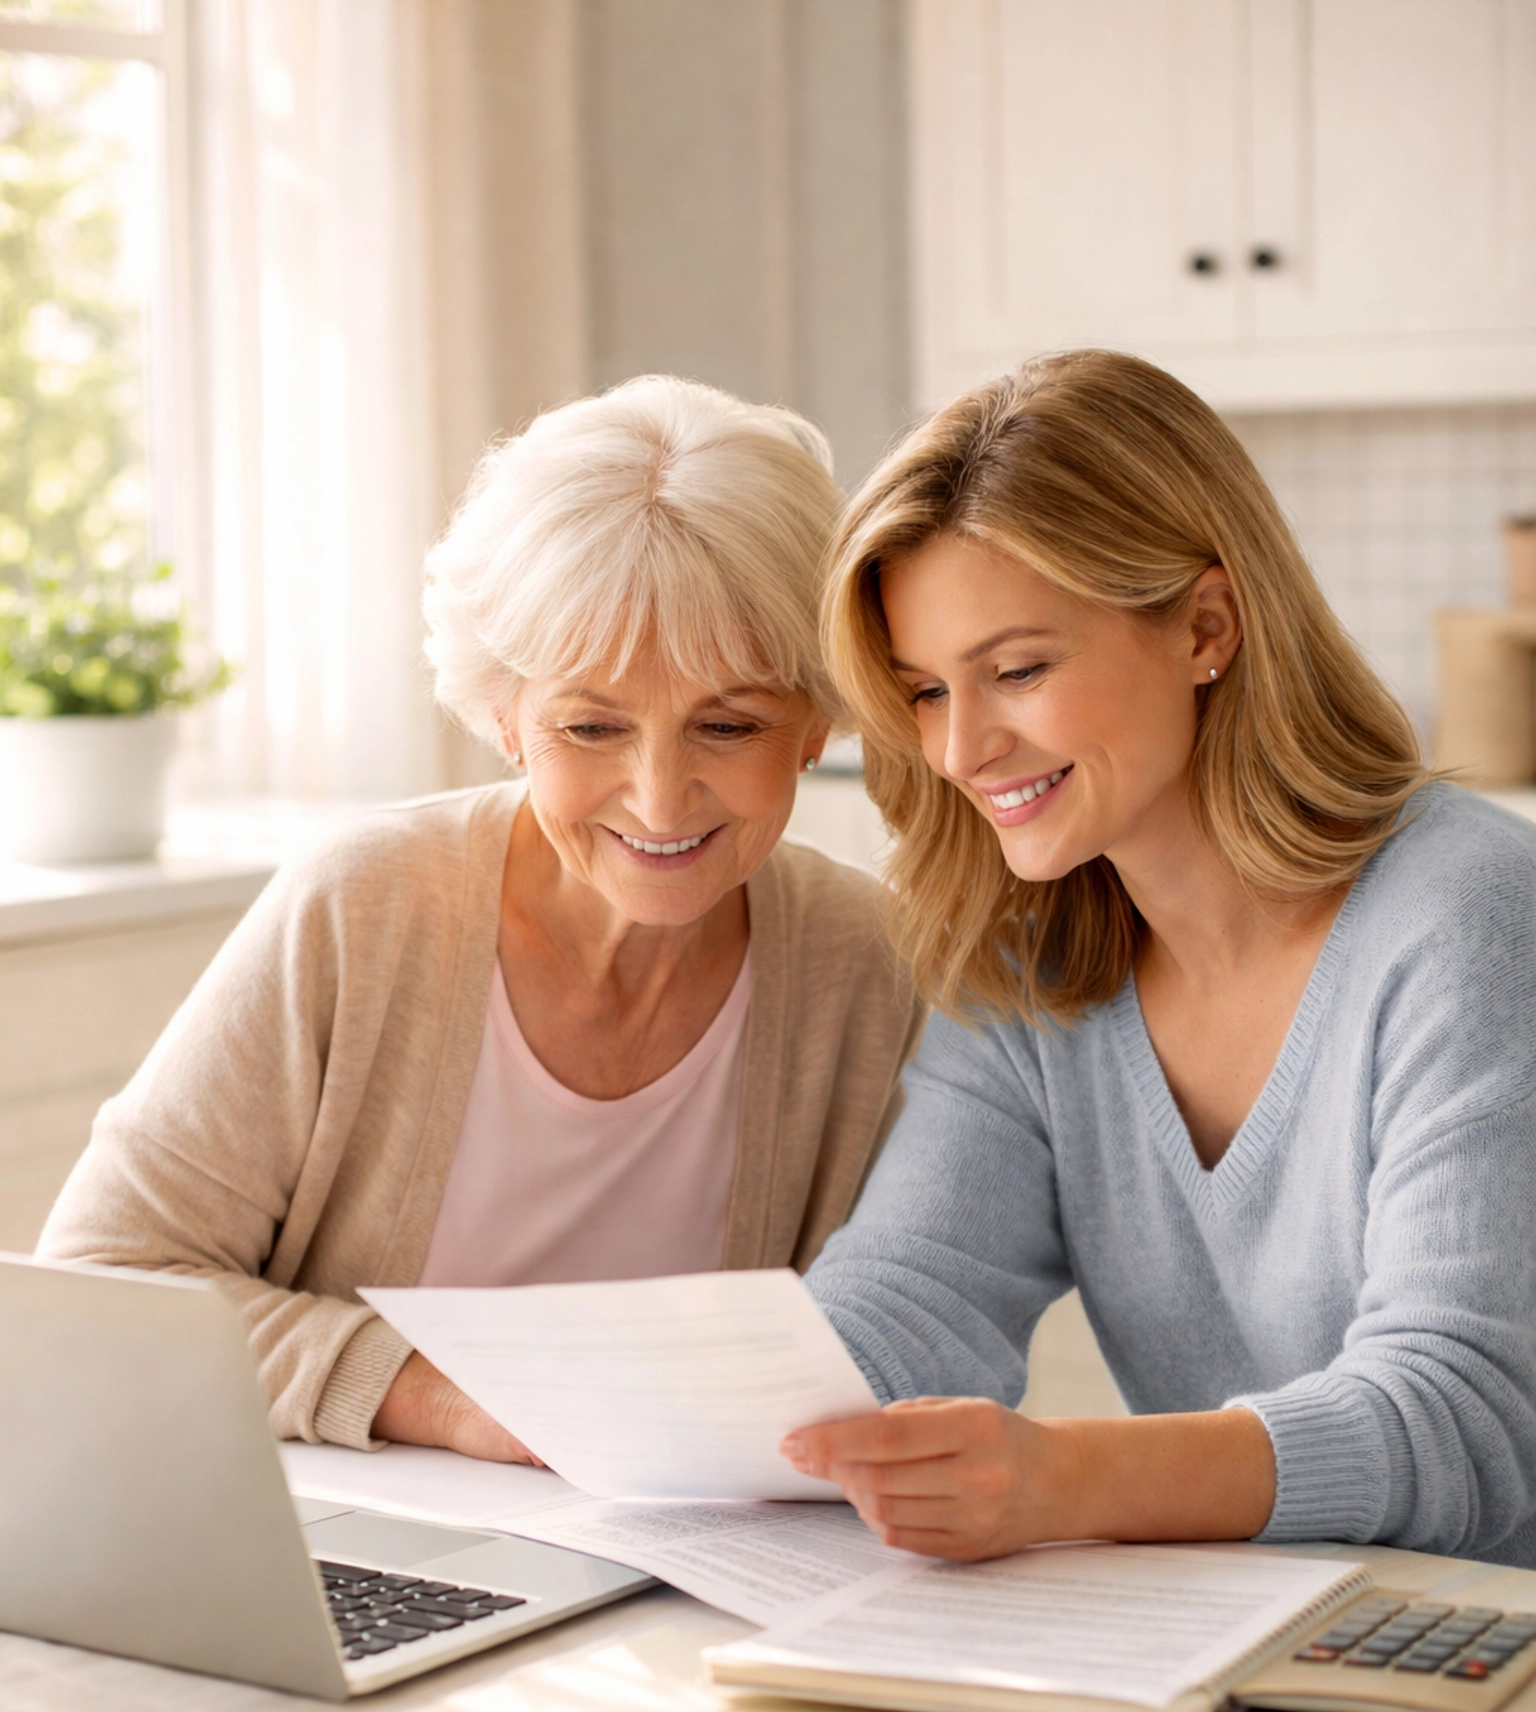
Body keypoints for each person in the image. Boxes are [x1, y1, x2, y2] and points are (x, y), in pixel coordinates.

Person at [40, 377, 923, 1460]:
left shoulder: (868, 967)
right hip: (356, 1552)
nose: (658, 796)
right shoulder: (364, 907)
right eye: (592, 727)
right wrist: (447, 1401)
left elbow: (901, 1343)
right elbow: (99, 1283)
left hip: (678, 1584)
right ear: (506, 717)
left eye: (728, 726)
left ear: (818, 722)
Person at [786, 348, 1536, 1568]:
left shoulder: (1473, 923)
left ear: (1205, 625)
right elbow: (910, 1299)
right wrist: (687, 1415)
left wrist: (1064, 1476)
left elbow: (1463, 1415)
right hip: (1253, 1650)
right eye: (924, 692)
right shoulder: (1026, 974)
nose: (964, 747)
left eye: (1017, 670)